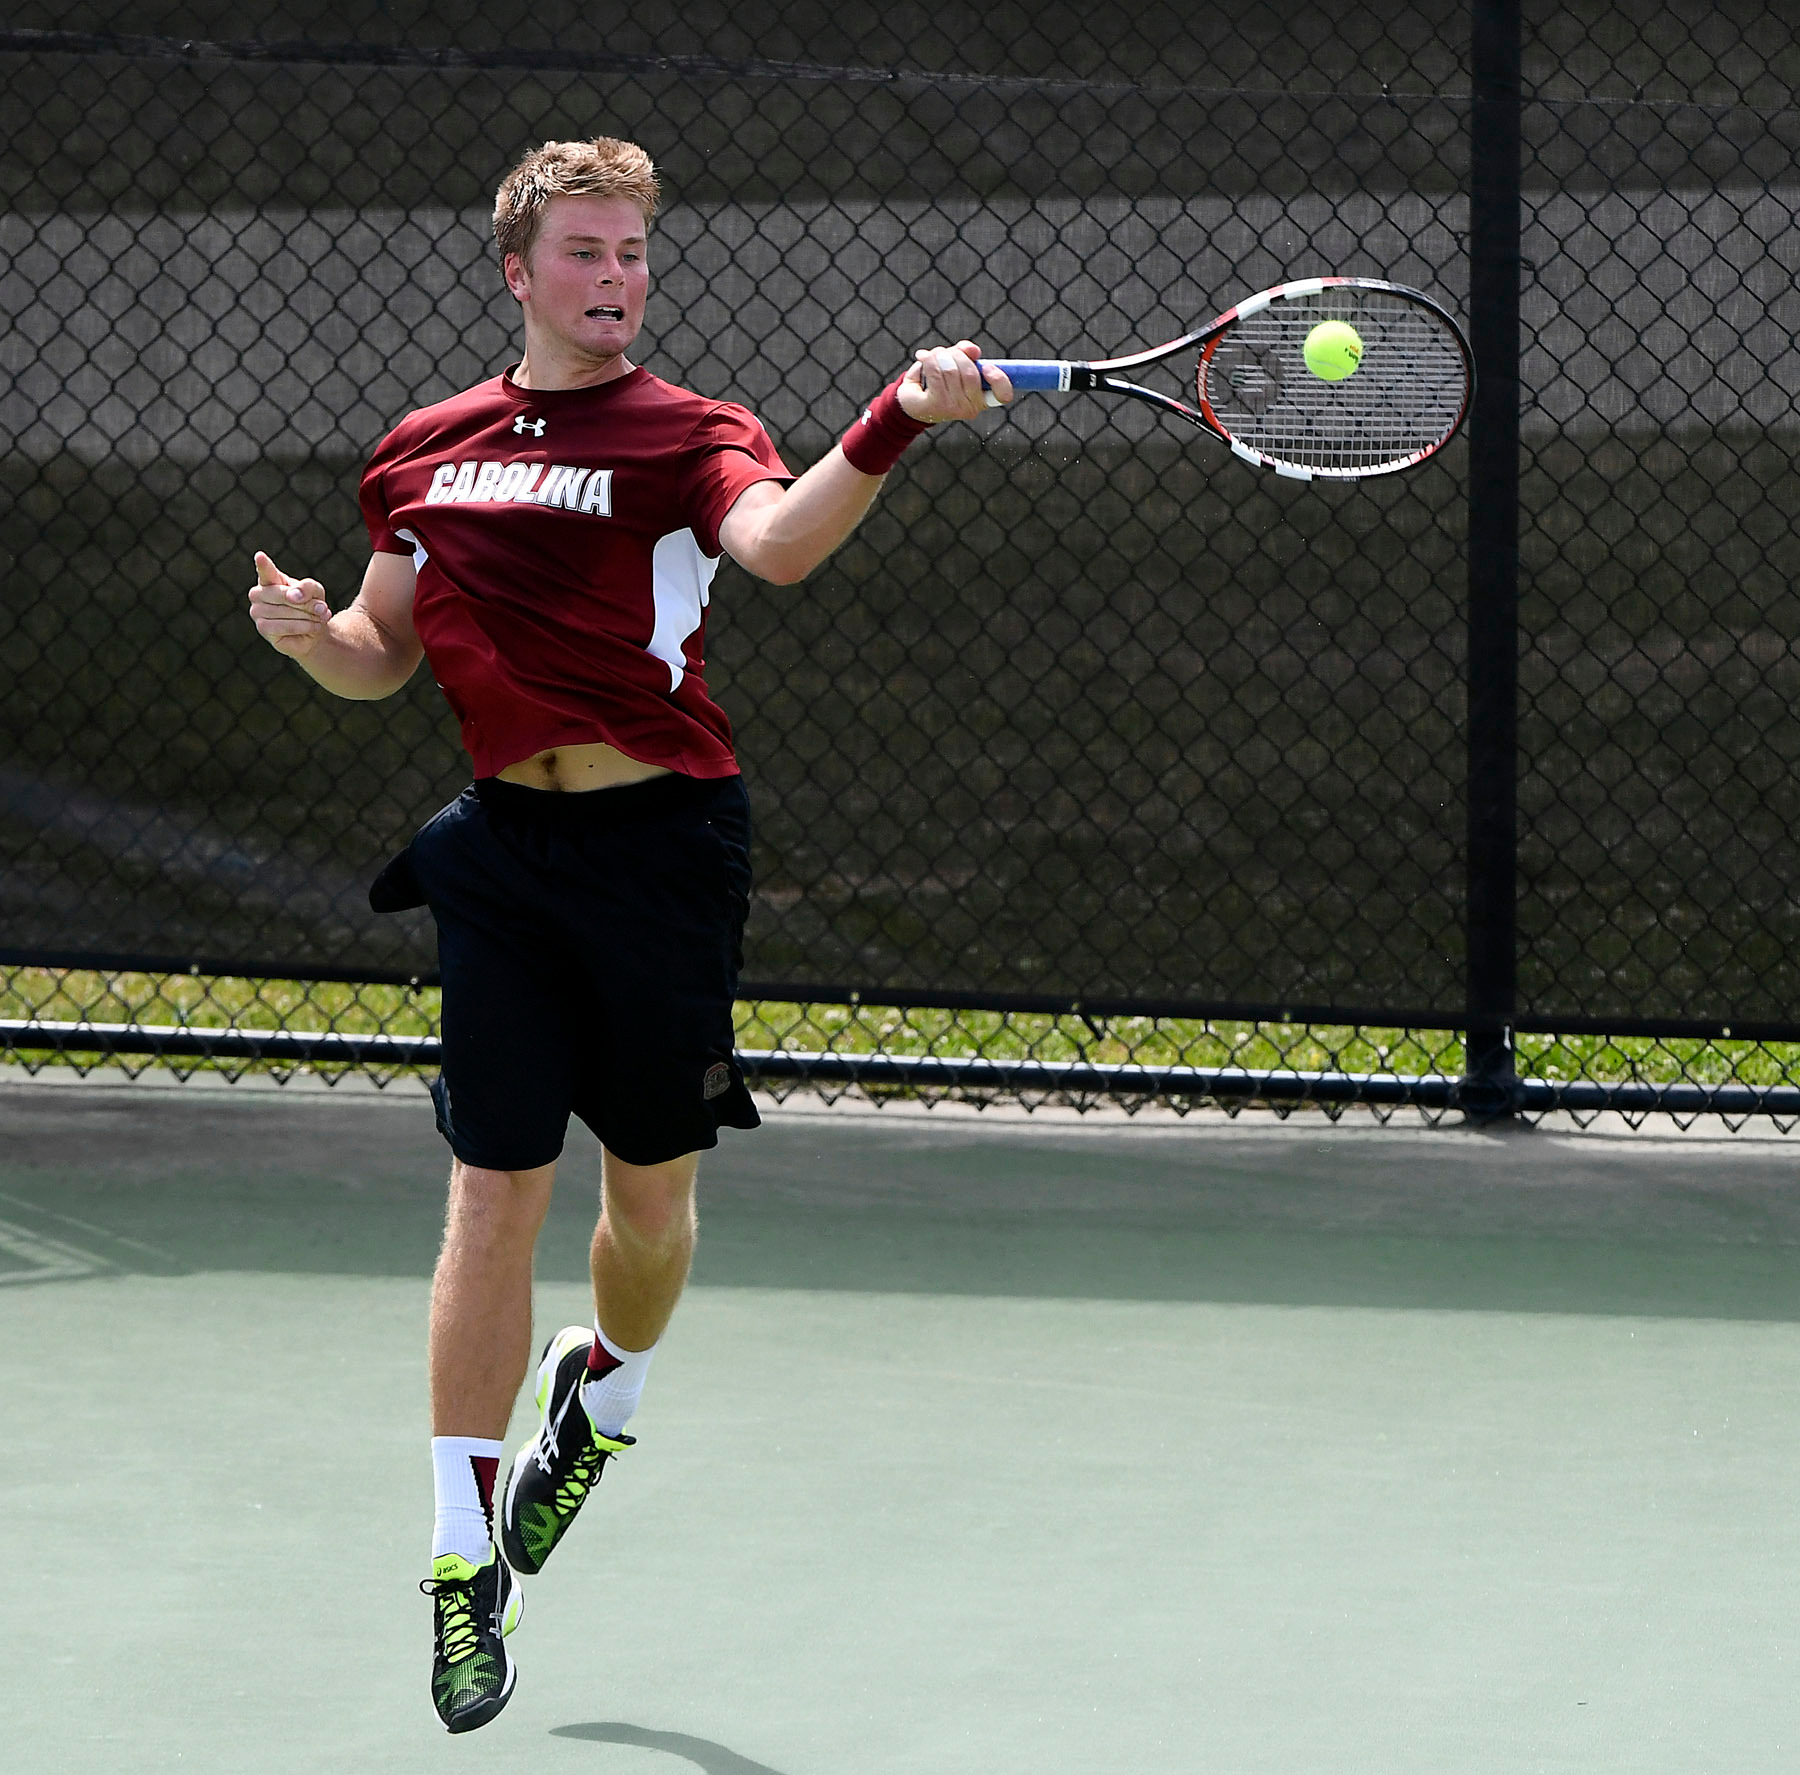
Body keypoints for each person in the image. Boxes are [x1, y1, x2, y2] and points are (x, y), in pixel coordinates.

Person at [245, 135, 1013, 1735]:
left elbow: (780, 545)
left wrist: (901, 418)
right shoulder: (420, 454)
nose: (617, 279)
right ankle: (462, 1566)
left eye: (636, 254)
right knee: (489, 1189)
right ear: (516, 271)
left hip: (663, 846)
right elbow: (385, 658)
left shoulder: (689, 435)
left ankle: (606, 1388)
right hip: (503, 858)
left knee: (646, 1212)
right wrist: (317, 637)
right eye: (587, 253)